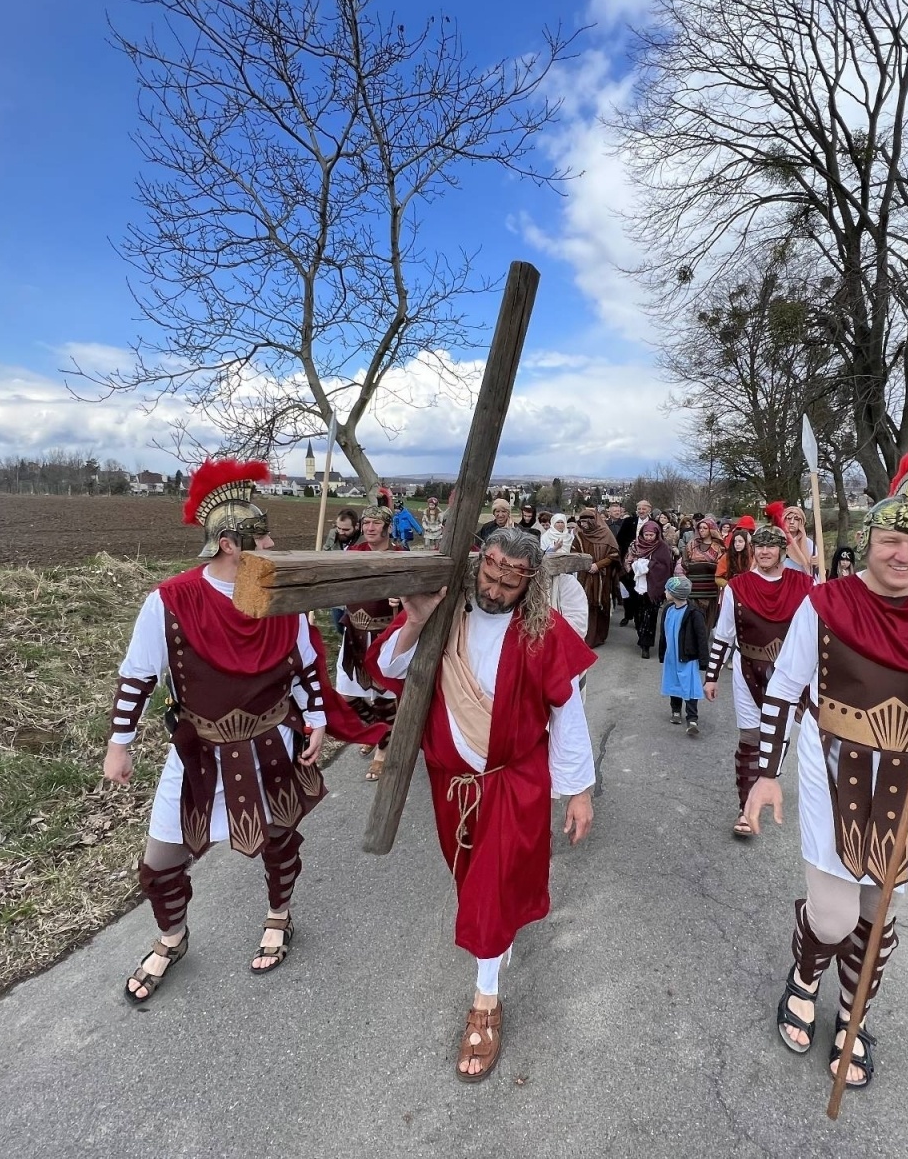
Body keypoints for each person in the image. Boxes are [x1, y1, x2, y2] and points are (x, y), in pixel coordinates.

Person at [743, 443, 908, 1091]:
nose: (903, 555)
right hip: (835, 768)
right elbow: (784, 689)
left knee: (877, 914)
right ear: (871, 537)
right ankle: (806, 976)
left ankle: (855, 1018)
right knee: (834, 917)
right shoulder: (827, 604)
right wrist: (764, 774)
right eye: (890, 540)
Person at [106, 459, 385, 1002]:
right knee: (160, 859)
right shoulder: (171, 600)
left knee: (280, 840)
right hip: (197, 751)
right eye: (263, 534)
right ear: (231, 543)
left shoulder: (280, 596)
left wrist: (318, 721)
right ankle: (172, 937)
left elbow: (305, 666)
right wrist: (120, 744)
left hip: (271, 742)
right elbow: (138, 674)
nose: (273, 541)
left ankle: (279, 916)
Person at [371, 529, 597, 1083]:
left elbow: (567, 713)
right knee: (471, 881)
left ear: (529, 584)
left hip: (512, 782)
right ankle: (494, 949)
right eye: (489, 575)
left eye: (508, 581)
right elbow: (388, 669)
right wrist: (420, 618)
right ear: (478, 566)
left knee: (489, 891)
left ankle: (486, 1003)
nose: (494, 589)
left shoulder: (543, 632)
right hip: (451, 786)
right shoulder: (447, 617)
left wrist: (579, 791)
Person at [703, 516, 813, 837]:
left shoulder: (805, 586)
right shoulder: (738, 587)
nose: (764, 551)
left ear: (782, 551)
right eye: (759, 546)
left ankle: (777, 785)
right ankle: (744, 807)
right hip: (747, 669)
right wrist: (711, 676)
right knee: (750, 741)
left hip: (791, 674)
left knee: (787, 736)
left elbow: (824, 629)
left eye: (771, 546)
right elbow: (723, 635)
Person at [339, 505, 407, 781]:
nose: (369, 527)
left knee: (383, 697)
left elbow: (416, 591)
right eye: (366, 522)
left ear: (387, 526)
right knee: (347, 694)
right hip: (354, 632)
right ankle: (378, 730)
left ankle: (383, 750)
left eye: (375, 523)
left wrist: (402, 598)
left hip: (384, 635)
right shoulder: (353, 554)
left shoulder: (400, 555)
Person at [657, 575, 709, 736]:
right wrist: (662, 652)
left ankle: (692, 718)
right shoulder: (668, 610)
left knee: (690, 686)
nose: (665, 592)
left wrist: (703, 660)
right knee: (673, 682)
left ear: (675, 593)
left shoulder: (694, 613)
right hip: (671, 656)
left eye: (667, 589)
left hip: (687, 657)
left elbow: (701, 637)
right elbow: (664, 634)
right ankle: (676, 711)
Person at [625, 520, 675, 658]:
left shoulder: (662, 547)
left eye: (651, 535)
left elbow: (666, 567)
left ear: (656, 534)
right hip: (637, 586)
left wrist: (649, 565)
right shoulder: (635, 545)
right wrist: (635, 566)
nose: (648, 538)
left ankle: (646, 645)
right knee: (639, 615)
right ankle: (641, 636)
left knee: (650, 615)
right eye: (646, 535)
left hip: (655, 586)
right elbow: (628, 560)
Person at [572, 507, 618, 648]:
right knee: (585, 604)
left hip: (602, 578)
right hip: (585, 576)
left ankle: (598, 636)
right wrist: (583, 563)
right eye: (582, 522)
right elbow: (573, 551)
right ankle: (586, 637)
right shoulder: (580, 535)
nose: (583, 525)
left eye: (586, 522)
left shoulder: (606, 534)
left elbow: (614, 555)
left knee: (600, 604)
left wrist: (598, 565)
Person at [539, 512, 589, 638]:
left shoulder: (569, 537)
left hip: (568, 572)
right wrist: (554, 549)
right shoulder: (546, 536)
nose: (560, 525)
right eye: (558, 522)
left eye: (562, 522)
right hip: (549, 573)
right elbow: (542, 554)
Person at [682, 518, 725, 624]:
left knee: (707, 622)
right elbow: (685, 562)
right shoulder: (692, 544)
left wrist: (703, 566)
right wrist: (701, 566)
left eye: (705, 528)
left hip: (710, 590)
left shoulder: (719, 547)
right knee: (692, 621)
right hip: (693, 588)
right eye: (700, 528)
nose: (701, 530)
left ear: (711, 530)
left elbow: (721, 566)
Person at [783, 504, 821, 576]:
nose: (792, 522)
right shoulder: (777, 541)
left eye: (796, 519)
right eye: (789, 518)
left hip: (802, 580)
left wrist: (816, 562)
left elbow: (816, 566)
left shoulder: (808, 543)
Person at [716, 527, 752, 595]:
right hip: (730, 591)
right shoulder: (726, 557)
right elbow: (718, 578)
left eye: (740, 541)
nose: (737, 544)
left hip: (749, 591)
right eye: (734, 541)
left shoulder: (753, 557)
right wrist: (730, 586)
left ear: (747, 543)